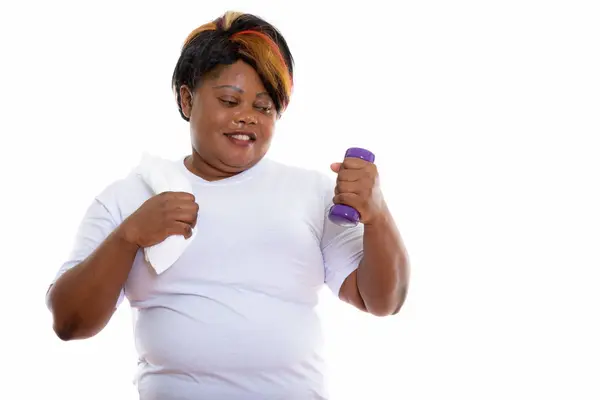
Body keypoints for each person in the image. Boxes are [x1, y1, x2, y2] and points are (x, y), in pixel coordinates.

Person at [46, 10, 410, 400]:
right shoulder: (132, 195)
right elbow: (69, 321)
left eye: (263, 107)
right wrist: (128, 236)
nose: (246, 118)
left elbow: (383, 301)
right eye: (229, 100)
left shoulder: (312, 193)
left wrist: (378, 215)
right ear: (187, 100)